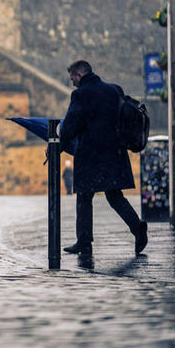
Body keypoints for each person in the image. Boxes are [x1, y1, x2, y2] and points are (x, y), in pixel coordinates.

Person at [59, 59, 148, 266]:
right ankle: (137, 228)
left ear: (79, 75)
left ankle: (84, 242)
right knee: (115, 196)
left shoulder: (80, 95)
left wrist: (59, 144)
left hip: (91, 154)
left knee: (84, 197)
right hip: (115, 152)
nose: (71, 82)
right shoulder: (114, 90)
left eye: (72, 78)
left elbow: (70, 126)